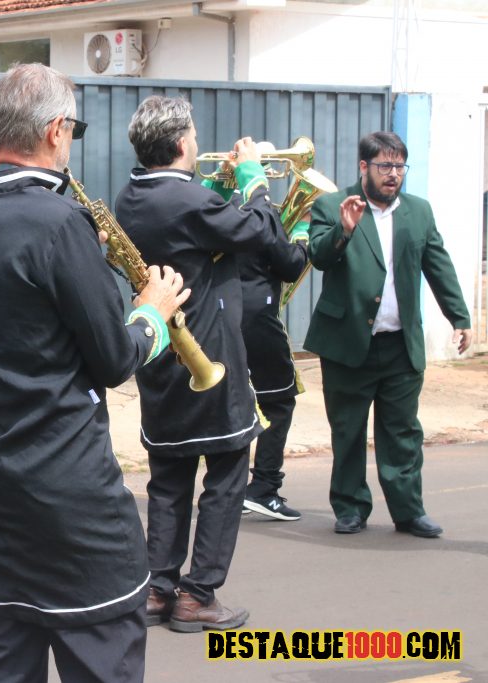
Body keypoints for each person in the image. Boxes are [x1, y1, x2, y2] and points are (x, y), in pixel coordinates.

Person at [0, 63, 189, 682]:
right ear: (54, 130)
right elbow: (114, 360)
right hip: (69, 487)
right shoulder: (59, 222)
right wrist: (151, 314)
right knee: (101, 649)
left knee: (8, 655)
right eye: (73, 128)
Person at [114, 95, 283, 633]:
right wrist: (253, 179)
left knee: (169, 476)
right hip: (207, 356)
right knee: (228, 472)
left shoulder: (131, 196)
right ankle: (198, 594)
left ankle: (158, 588)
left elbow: (202, 225)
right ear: (183, 142)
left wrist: (221, 190)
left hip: (160, 353)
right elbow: (261, 233)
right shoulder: (188, 200)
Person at [305, 131, 471, 538]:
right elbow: (319, 257)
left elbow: (438, 264)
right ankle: (350, 508)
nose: (393, 174)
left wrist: (459, 317)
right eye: (384, 166)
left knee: (402, 433)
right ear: (364, 167)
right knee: (348, 431)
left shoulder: (418, 212)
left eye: (399, 166)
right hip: (347, 343)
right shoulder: (332, 205)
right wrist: (343, 230)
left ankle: (408, 511)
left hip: (400, 344)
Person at [208, 156, 311, 522]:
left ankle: (228, 489)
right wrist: (301, 233)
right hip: (258, 319)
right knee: (279, 401)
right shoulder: (262, 212)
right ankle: (264, 488)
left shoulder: (215, 207)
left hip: (220, 317)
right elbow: (290, 264)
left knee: (231, 403)